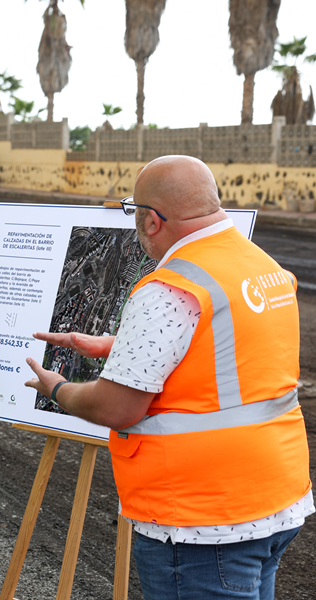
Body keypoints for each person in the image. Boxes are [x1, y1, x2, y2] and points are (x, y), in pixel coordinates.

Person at [25, 155, 312, 600]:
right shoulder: (260, 266)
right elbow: (222, 351)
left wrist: (57, 389)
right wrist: (119, 346)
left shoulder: (169, 287)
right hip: (273, 497)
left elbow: (116, 407)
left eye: (132, 211)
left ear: (152, 220)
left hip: (202, 522)